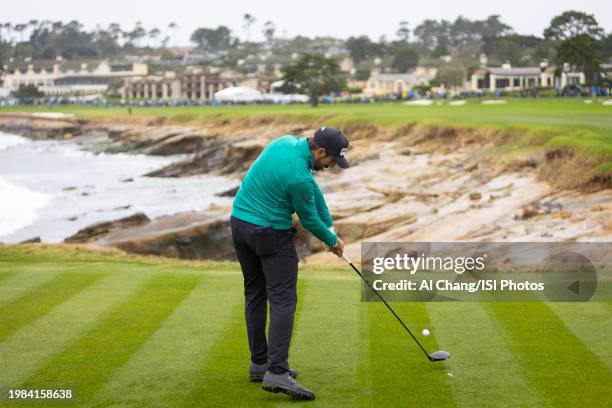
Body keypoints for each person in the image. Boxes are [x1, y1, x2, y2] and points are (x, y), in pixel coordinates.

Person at [230, 127, 349, 401]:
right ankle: (277, 371)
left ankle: (259, 364)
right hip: (270, 234)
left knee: (255, 294)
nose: (331, 166)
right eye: (331, 160)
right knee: (283, 301)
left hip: (239, 225)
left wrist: (329, 223)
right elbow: (308, 221)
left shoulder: (284, 142)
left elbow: (313, 190)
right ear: (320, 152)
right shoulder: (299, 178)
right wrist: (333, 241)